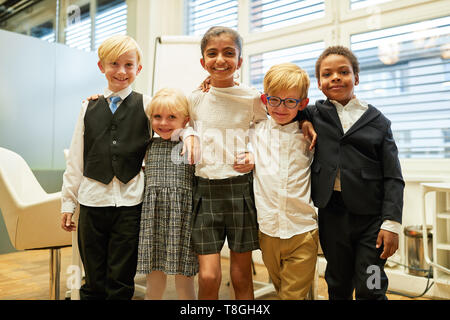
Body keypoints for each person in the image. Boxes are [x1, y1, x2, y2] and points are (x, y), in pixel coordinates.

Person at [299, 45, 404, 300]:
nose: (335, 77)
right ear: (320, 84)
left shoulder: (378, 121)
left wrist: (391, 223)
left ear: (356, 78)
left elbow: (393, 176)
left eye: (343, 72)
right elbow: (281, 107)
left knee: (371, 284)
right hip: (332, 214)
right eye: (327, 74)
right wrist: (303, 121)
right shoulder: (314, 112)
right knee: (337, 282)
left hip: (372, 220)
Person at [60, 34, 151, 300]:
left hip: (130, 203)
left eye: (129, 65)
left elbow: (177, 120)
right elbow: (76, 159)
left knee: (122, 279)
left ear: (138, 69)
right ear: (102, 67)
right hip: (92, 201)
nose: (121, 71)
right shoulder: (88, 106)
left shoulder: (148, 105)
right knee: (94, 280)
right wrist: (68, 203)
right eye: (114, 64)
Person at [188, 26, 268, 300]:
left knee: (241, 275)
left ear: (240, 62)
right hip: (205, 191)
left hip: (239, 189)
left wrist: (256, 155)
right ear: (203, 62)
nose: (220, 59)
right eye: (212, 53)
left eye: (228, 53)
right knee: (209, 276)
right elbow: (181, 124)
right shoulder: (195, 97)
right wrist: (189, 136)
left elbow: (269, 130)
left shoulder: (252, 97)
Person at [251, 63, 318, 300]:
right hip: (267, 231)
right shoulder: (255, 131)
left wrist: (307, 120)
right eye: (275, 100)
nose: (281, 107)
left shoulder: (309, 135)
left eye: (290, 102)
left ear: (302, 104)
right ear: (264, 99)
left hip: (302, 231)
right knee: (281, 291)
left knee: (292, 296)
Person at [136, 88, 198, 300]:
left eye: (172, 117)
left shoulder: (190, 144)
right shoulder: (149, 146)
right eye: (157, 117)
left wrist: (188, 133)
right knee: (154, 276)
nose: (163, 123)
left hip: (182, 219)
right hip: (153, 218)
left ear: (185, 120)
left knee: (184, 277)